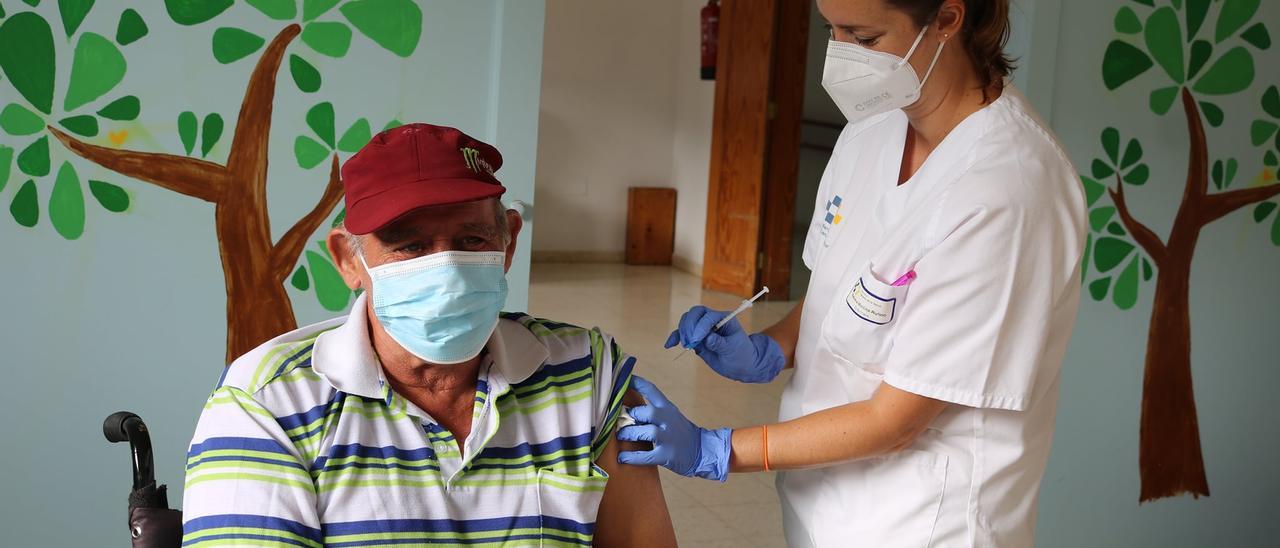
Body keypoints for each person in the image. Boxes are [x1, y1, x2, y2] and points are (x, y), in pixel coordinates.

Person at [617, 0, 1086, 546]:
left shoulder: (1009, 188)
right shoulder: (873, 130)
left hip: (922, 521)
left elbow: (897, 421)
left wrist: (715, 449)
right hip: (821, 505)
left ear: (947, 19)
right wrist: (770, 347)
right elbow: (842, 292)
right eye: (830, 29)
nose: (839, 55)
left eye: (863, 38)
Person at [182, 123, 676, 547]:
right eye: (409, 245)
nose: (448, 271)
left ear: (508, 243)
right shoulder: (266, 404)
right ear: (349, 260)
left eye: (471, 240)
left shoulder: (587, 375)